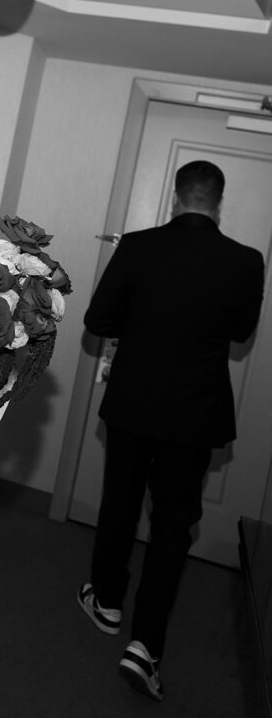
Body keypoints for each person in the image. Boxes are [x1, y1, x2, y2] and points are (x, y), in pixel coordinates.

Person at [77, 159, 265, 702]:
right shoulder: (246, 261)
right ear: (217, 202)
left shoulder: (137, 247)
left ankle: (107, 602)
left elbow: (97, 321)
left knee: (120, 500)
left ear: (176, 196)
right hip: (194, 413)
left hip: (135, 401)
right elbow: (240, 333)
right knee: (174, 524)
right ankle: (146, 648)